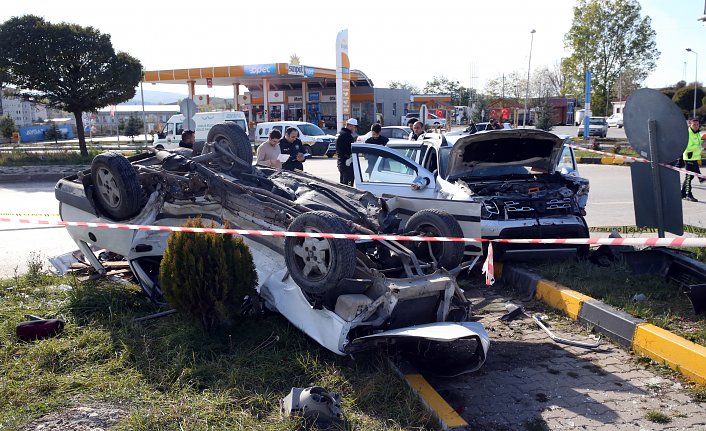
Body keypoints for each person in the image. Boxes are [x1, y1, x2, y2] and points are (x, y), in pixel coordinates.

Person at [681, 118, 705, 202]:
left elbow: (699, 144)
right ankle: (688, 194)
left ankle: (682, 193)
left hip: (695, 158)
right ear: (689, 125)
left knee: (690, 177)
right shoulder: (687, 134)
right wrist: (699, 146)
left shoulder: (697, 133)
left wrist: (703, 143)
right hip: (688, 159)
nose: (696, 126)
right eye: (694, 125)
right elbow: (686, 148)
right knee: (688, 177)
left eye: (697, 124)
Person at [336, 118, 358, 186]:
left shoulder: (340, 134)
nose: (355, 129)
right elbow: (350, 150)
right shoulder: (347, 136)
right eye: (355, 127)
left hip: (341, 162)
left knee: (342, 185)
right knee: (348, 187)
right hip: (347, 164)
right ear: (350, 126)